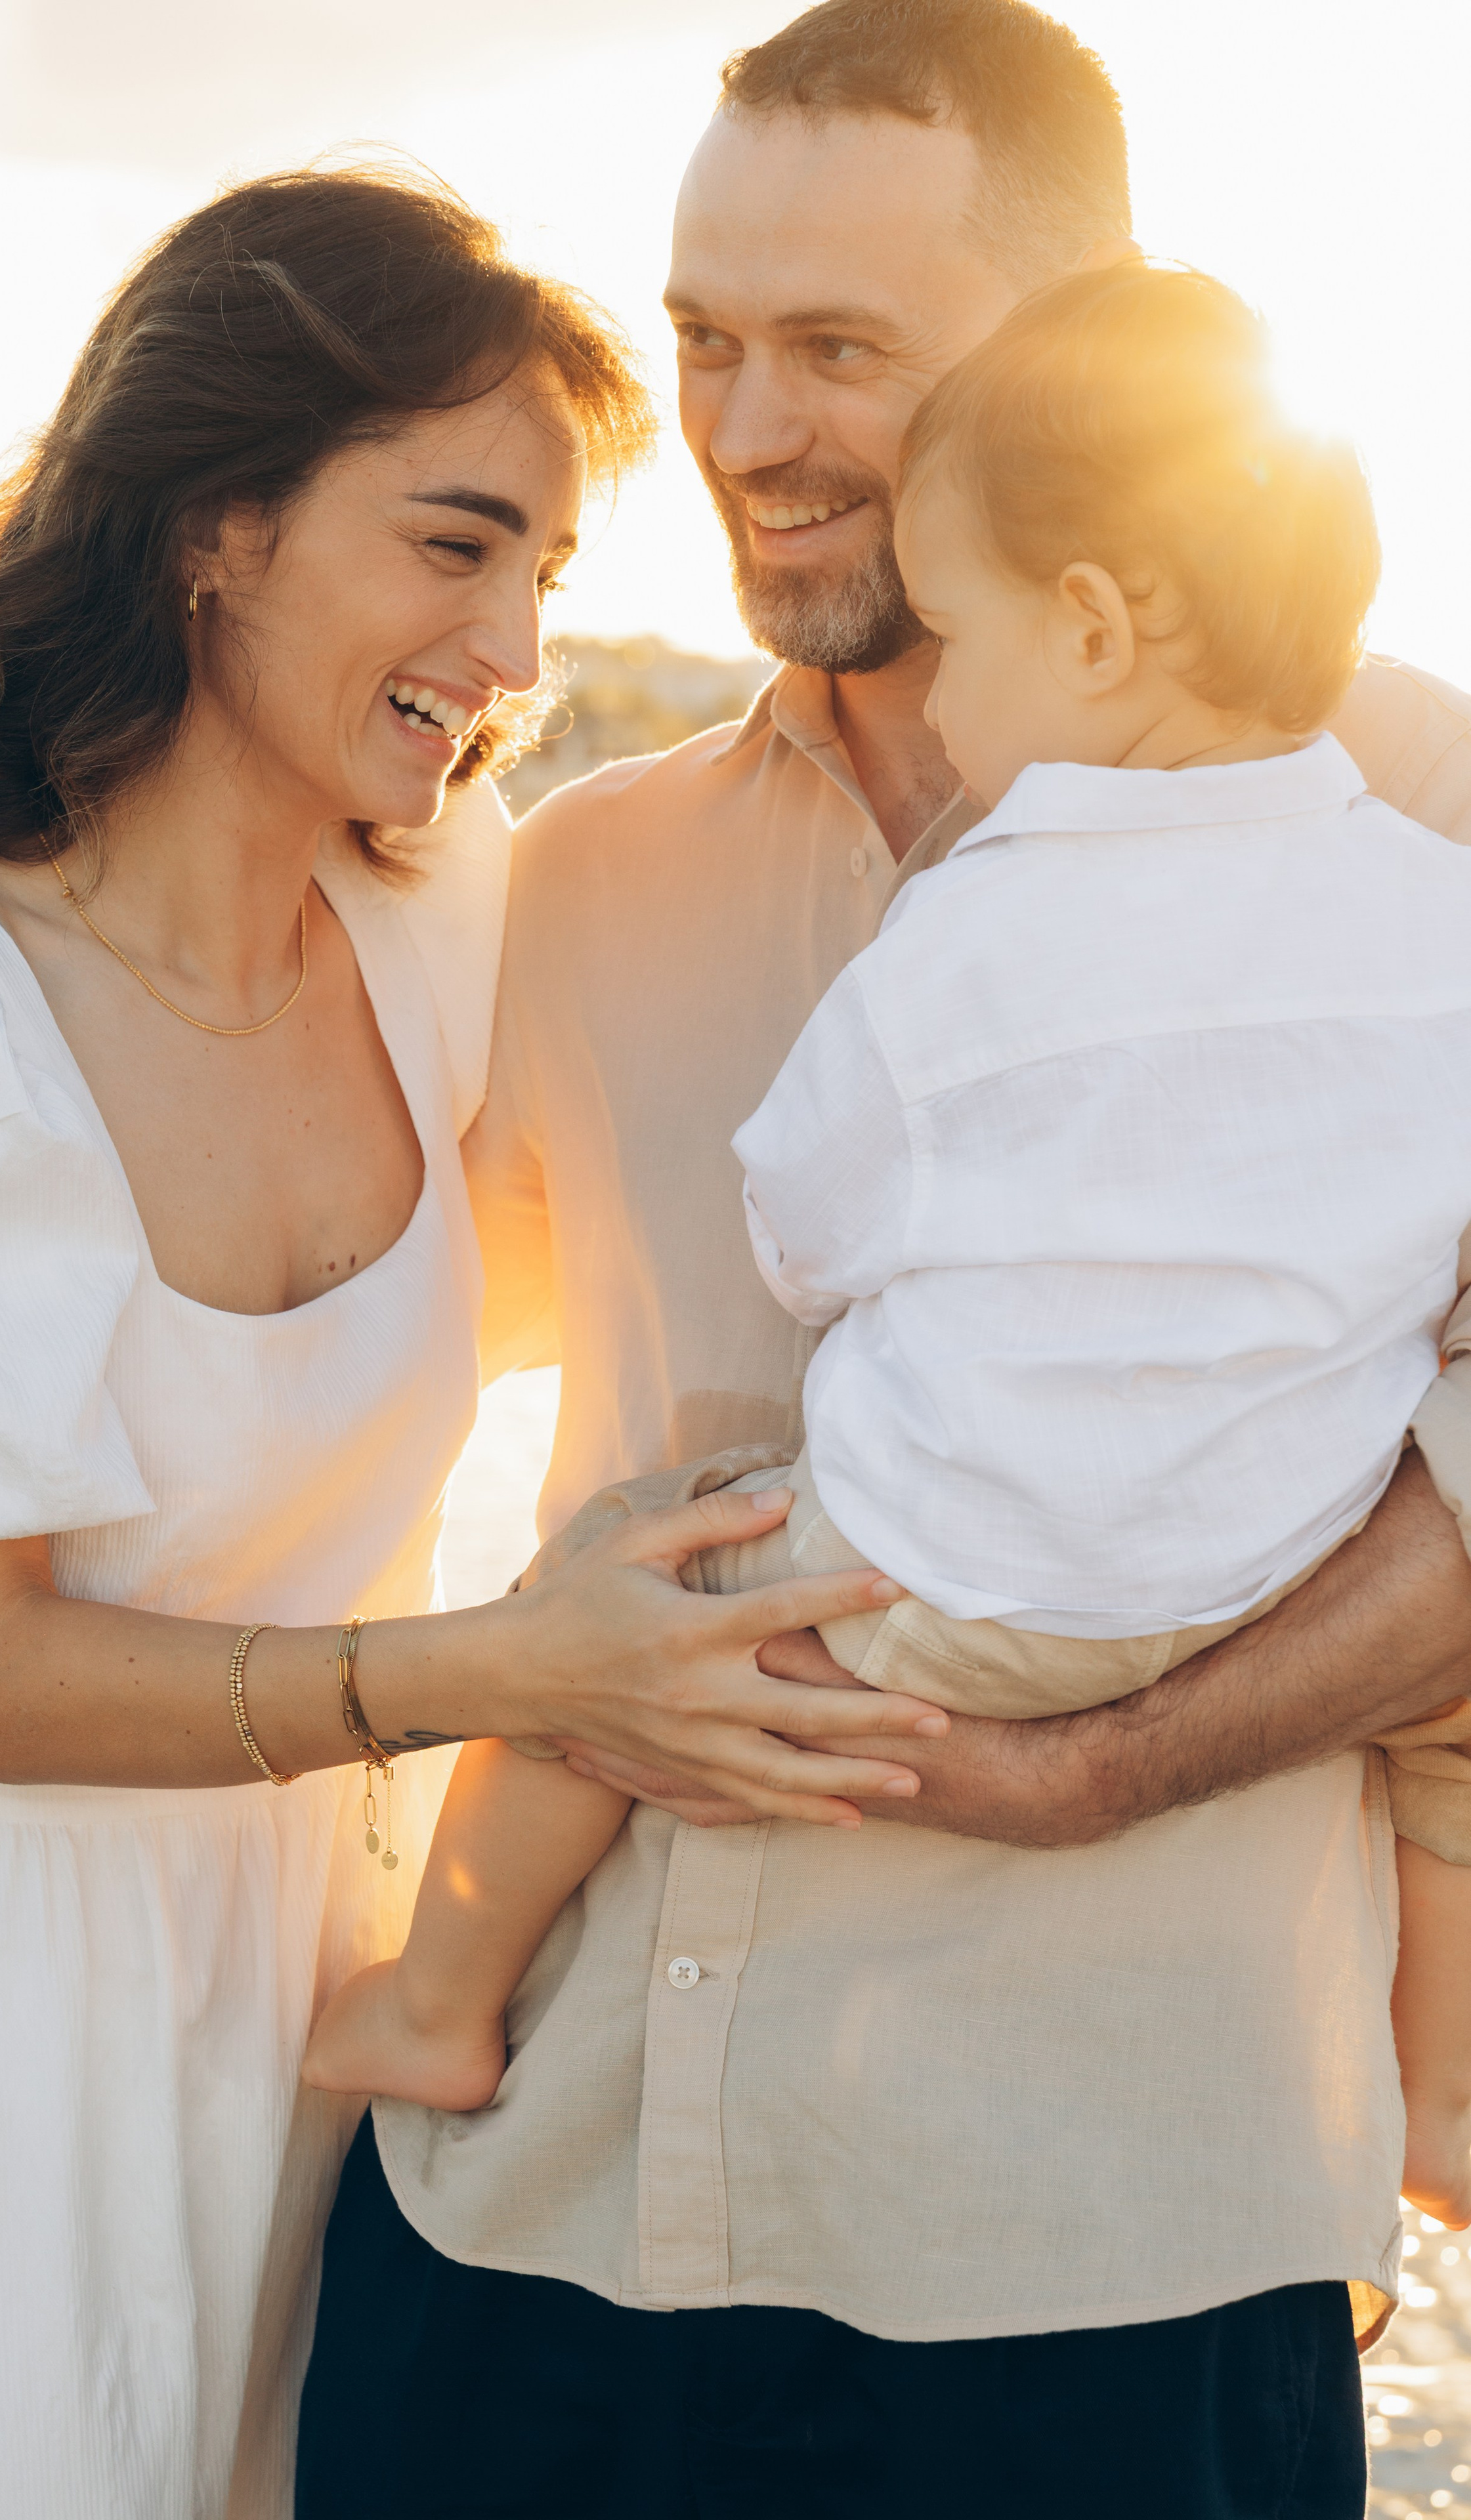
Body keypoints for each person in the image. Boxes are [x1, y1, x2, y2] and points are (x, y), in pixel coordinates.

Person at [0, 6, 1471, 2514]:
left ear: (1079, 347)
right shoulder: (569, 876)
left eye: (842, 348)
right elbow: (338, 1315)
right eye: (707, 338)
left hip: (1097, 2241)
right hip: (523, 2213)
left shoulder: (1417, 826)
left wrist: (1103, 1766)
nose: (748, 429)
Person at [0, 164, 936, 2520]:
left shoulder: (443, 919)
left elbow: (561, 1288)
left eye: (547, 574)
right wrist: (517, 1668)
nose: (514, 644)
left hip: (345, 2030)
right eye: (454, 545)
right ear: (218, 524)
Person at [299, 261, 1471, 2241]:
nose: (950, 690)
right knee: (1456, 1743)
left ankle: (438, 1996)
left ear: (1089, 626)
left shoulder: (988, 915)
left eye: (963, 635)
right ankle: (1441, 2097)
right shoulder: (1437, 907)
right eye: (708, 342)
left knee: (627, 1607)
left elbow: (807, 1223)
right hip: (1282, 1563)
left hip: (966, 1614)